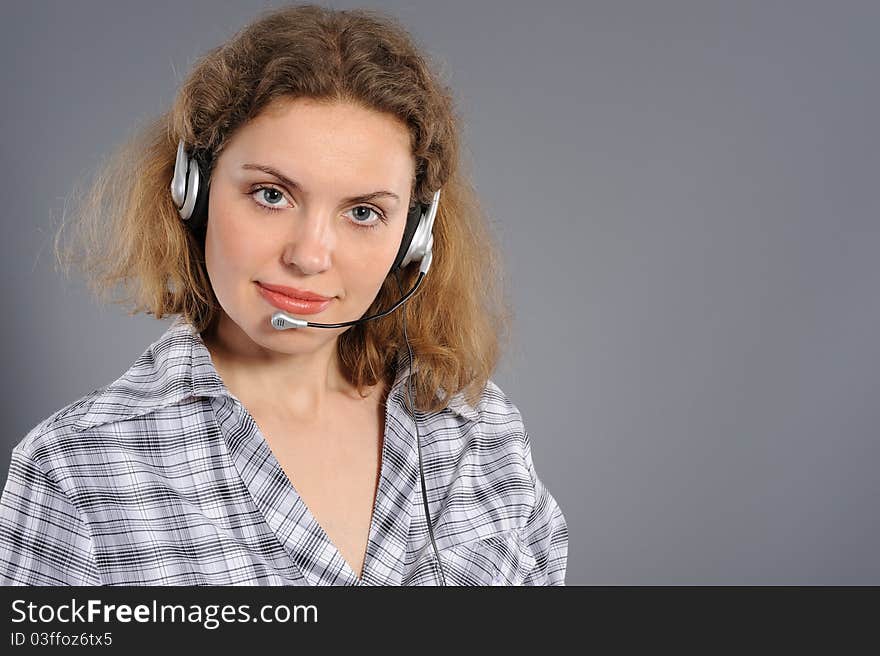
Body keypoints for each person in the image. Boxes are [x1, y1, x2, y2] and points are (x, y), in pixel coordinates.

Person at [0, 3, 567, 586]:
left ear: (415, 237)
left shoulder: (478, 434)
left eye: (365, 212)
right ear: (192, 190)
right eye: (272, 195)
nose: (310, 255)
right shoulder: (75, 470)